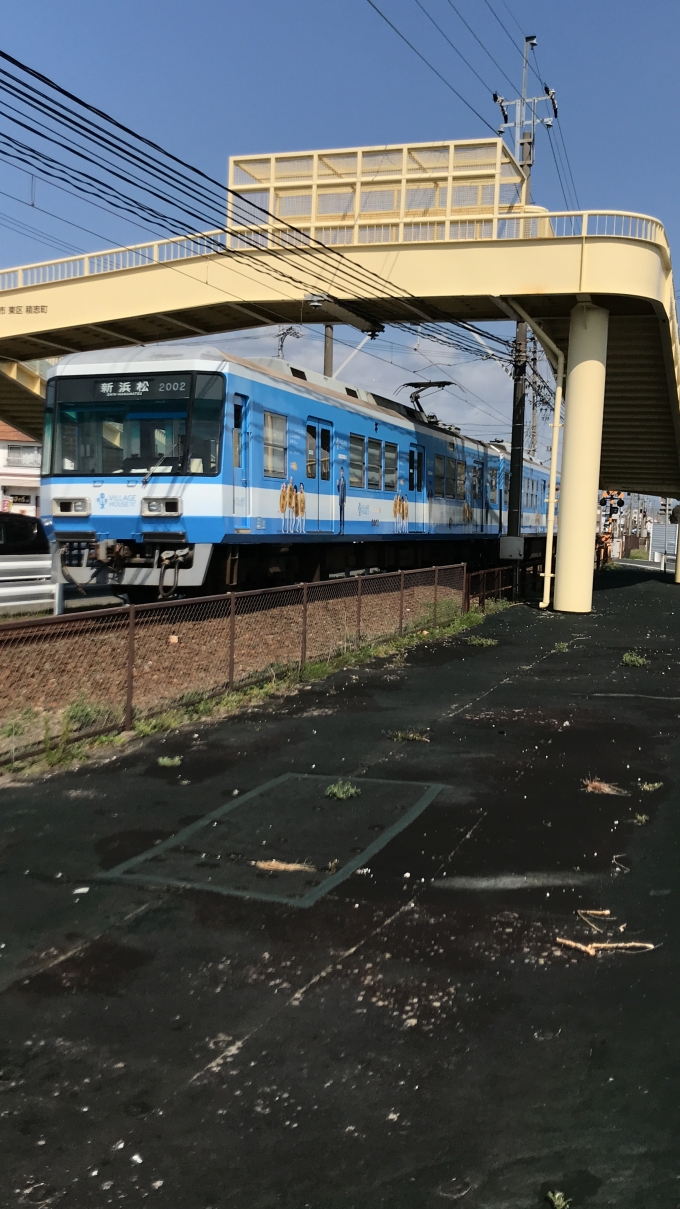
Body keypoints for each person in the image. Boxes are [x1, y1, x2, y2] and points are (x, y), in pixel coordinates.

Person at [337, 465, 346, 534]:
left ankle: (343, 530)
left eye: (342, 471)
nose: (341, 473)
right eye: (341, 471)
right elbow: (338, 490)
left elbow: (344, 491)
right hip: (340, 500)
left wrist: (345, 500)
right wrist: (337, 485)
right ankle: (340, 530)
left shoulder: (344, 480)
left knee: (343, 515)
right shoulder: (339, 480)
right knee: (340, 515)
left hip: (343, 499)